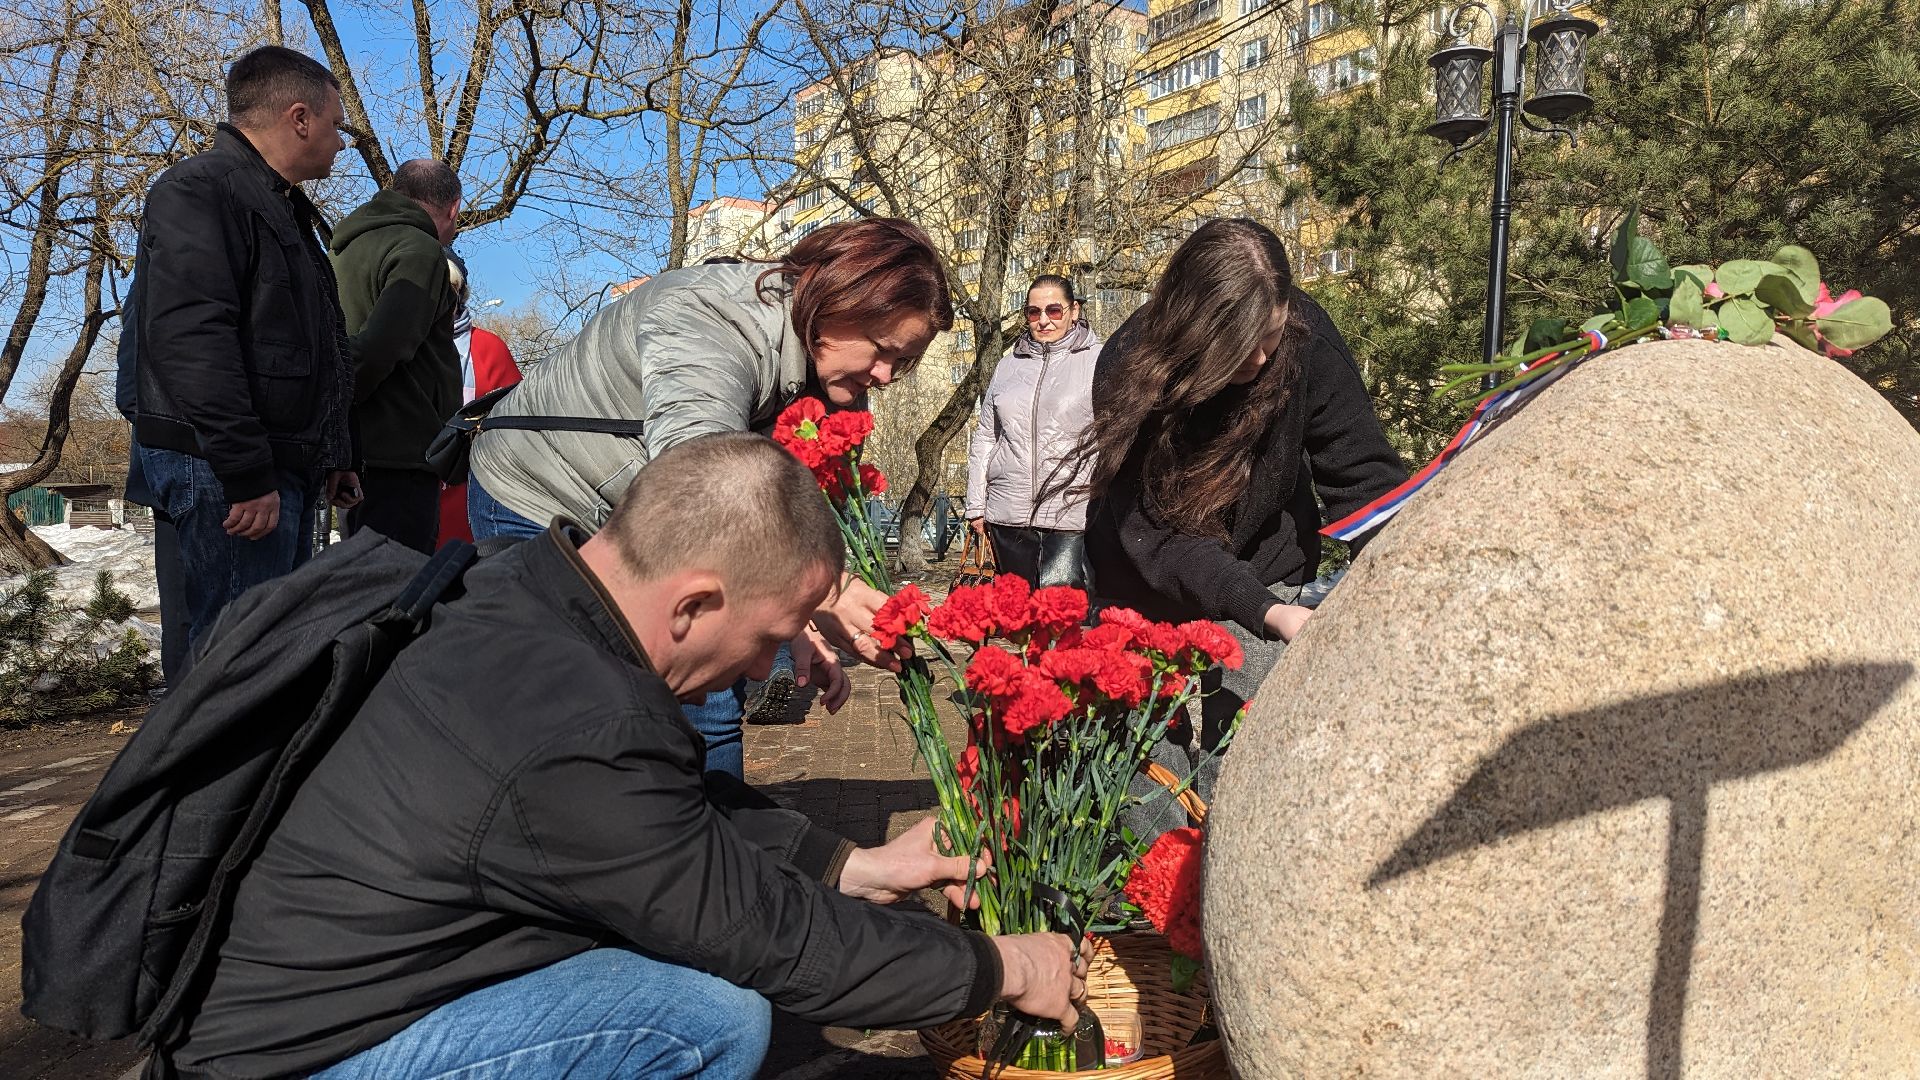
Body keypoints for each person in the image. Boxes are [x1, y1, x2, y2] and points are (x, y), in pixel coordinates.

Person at [165, 433, 1086, 1079]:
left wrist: (854, 862)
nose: (776, 666)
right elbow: (766, 935)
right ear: (692, 603)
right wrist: (1004, 968)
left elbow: (667, 819)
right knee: (702, 1022)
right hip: (302, 1056)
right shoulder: (580, 727)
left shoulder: (523, 586)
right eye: (773, 634)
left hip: (279, 1001)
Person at [465, 218, 952, 778]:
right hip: (537, 492)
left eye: (905, 362)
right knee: (570, 702)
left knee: (714, 697)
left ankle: (716, 847)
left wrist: (795, 617)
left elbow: (798, 510)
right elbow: (702, 485)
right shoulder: (712, 316)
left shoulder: (838, 382)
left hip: (644, 513)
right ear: (838, 299)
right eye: (884, 350)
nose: (888, 376)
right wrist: (821, 592)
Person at [1068, 219, 1407, 826]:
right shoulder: (1130, 366)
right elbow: (1160, 538)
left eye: (1270, 337)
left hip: (1270, 570)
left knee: (1256, 787)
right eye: (1238, 345)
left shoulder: (1303, 338)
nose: (1258, 358)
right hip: (1146, 591)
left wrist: (1406, 577)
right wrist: (1268, 611)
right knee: (1156, 797)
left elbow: (1361, 475)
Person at [125, 45, 361, 655]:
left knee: (257, 657)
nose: (342, 142)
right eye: (337, 125)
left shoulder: (280, 208)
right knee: (235, 662)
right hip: (222, 470)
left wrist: (332, 454)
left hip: (261, 465)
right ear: (300, 118)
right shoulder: (202, 191)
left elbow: (309, 347)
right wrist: (246, 471)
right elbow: (190, 338)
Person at [331, 159, 464, 553]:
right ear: (453, 207)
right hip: (399, 453)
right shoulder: (420, 250)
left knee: (364, 584)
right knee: (398, 593)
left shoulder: (345, 247)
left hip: (355, 451)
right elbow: (383, 346)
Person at [965, 274, 1100, 590]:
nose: (1043, 321)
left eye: (1054, 310)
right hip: (1007, 516)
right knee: (1019, 623)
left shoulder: (1099, 359)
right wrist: (976, 505)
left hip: (1071, 516)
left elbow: (1114, 434)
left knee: (1067, 621)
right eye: (1033, 312)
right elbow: (987, 435)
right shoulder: (1008, 365)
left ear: (1074, 311)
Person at [436, 255, 522, 545]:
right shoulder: (400, 342)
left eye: (450, 289)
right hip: (411, 486)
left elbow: (518, 429)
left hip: (471, 496)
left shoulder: (488, 348)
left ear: (461, 295)